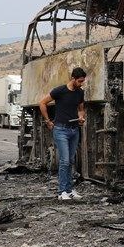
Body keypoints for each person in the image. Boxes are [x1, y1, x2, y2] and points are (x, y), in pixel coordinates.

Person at [39, 67, 86, 201]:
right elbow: (42, 103)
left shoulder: (80, 92)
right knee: (64, 161)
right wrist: (48, 121)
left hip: (74, 130)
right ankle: (61, 192)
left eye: (83, 81)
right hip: (61, 130)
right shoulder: (59, 91)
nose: (81, 83)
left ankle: (69, 190)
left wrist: (81, 117)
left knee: (71, 161)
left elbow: (81, 110)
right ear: (73, 79)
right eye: (80, 81)